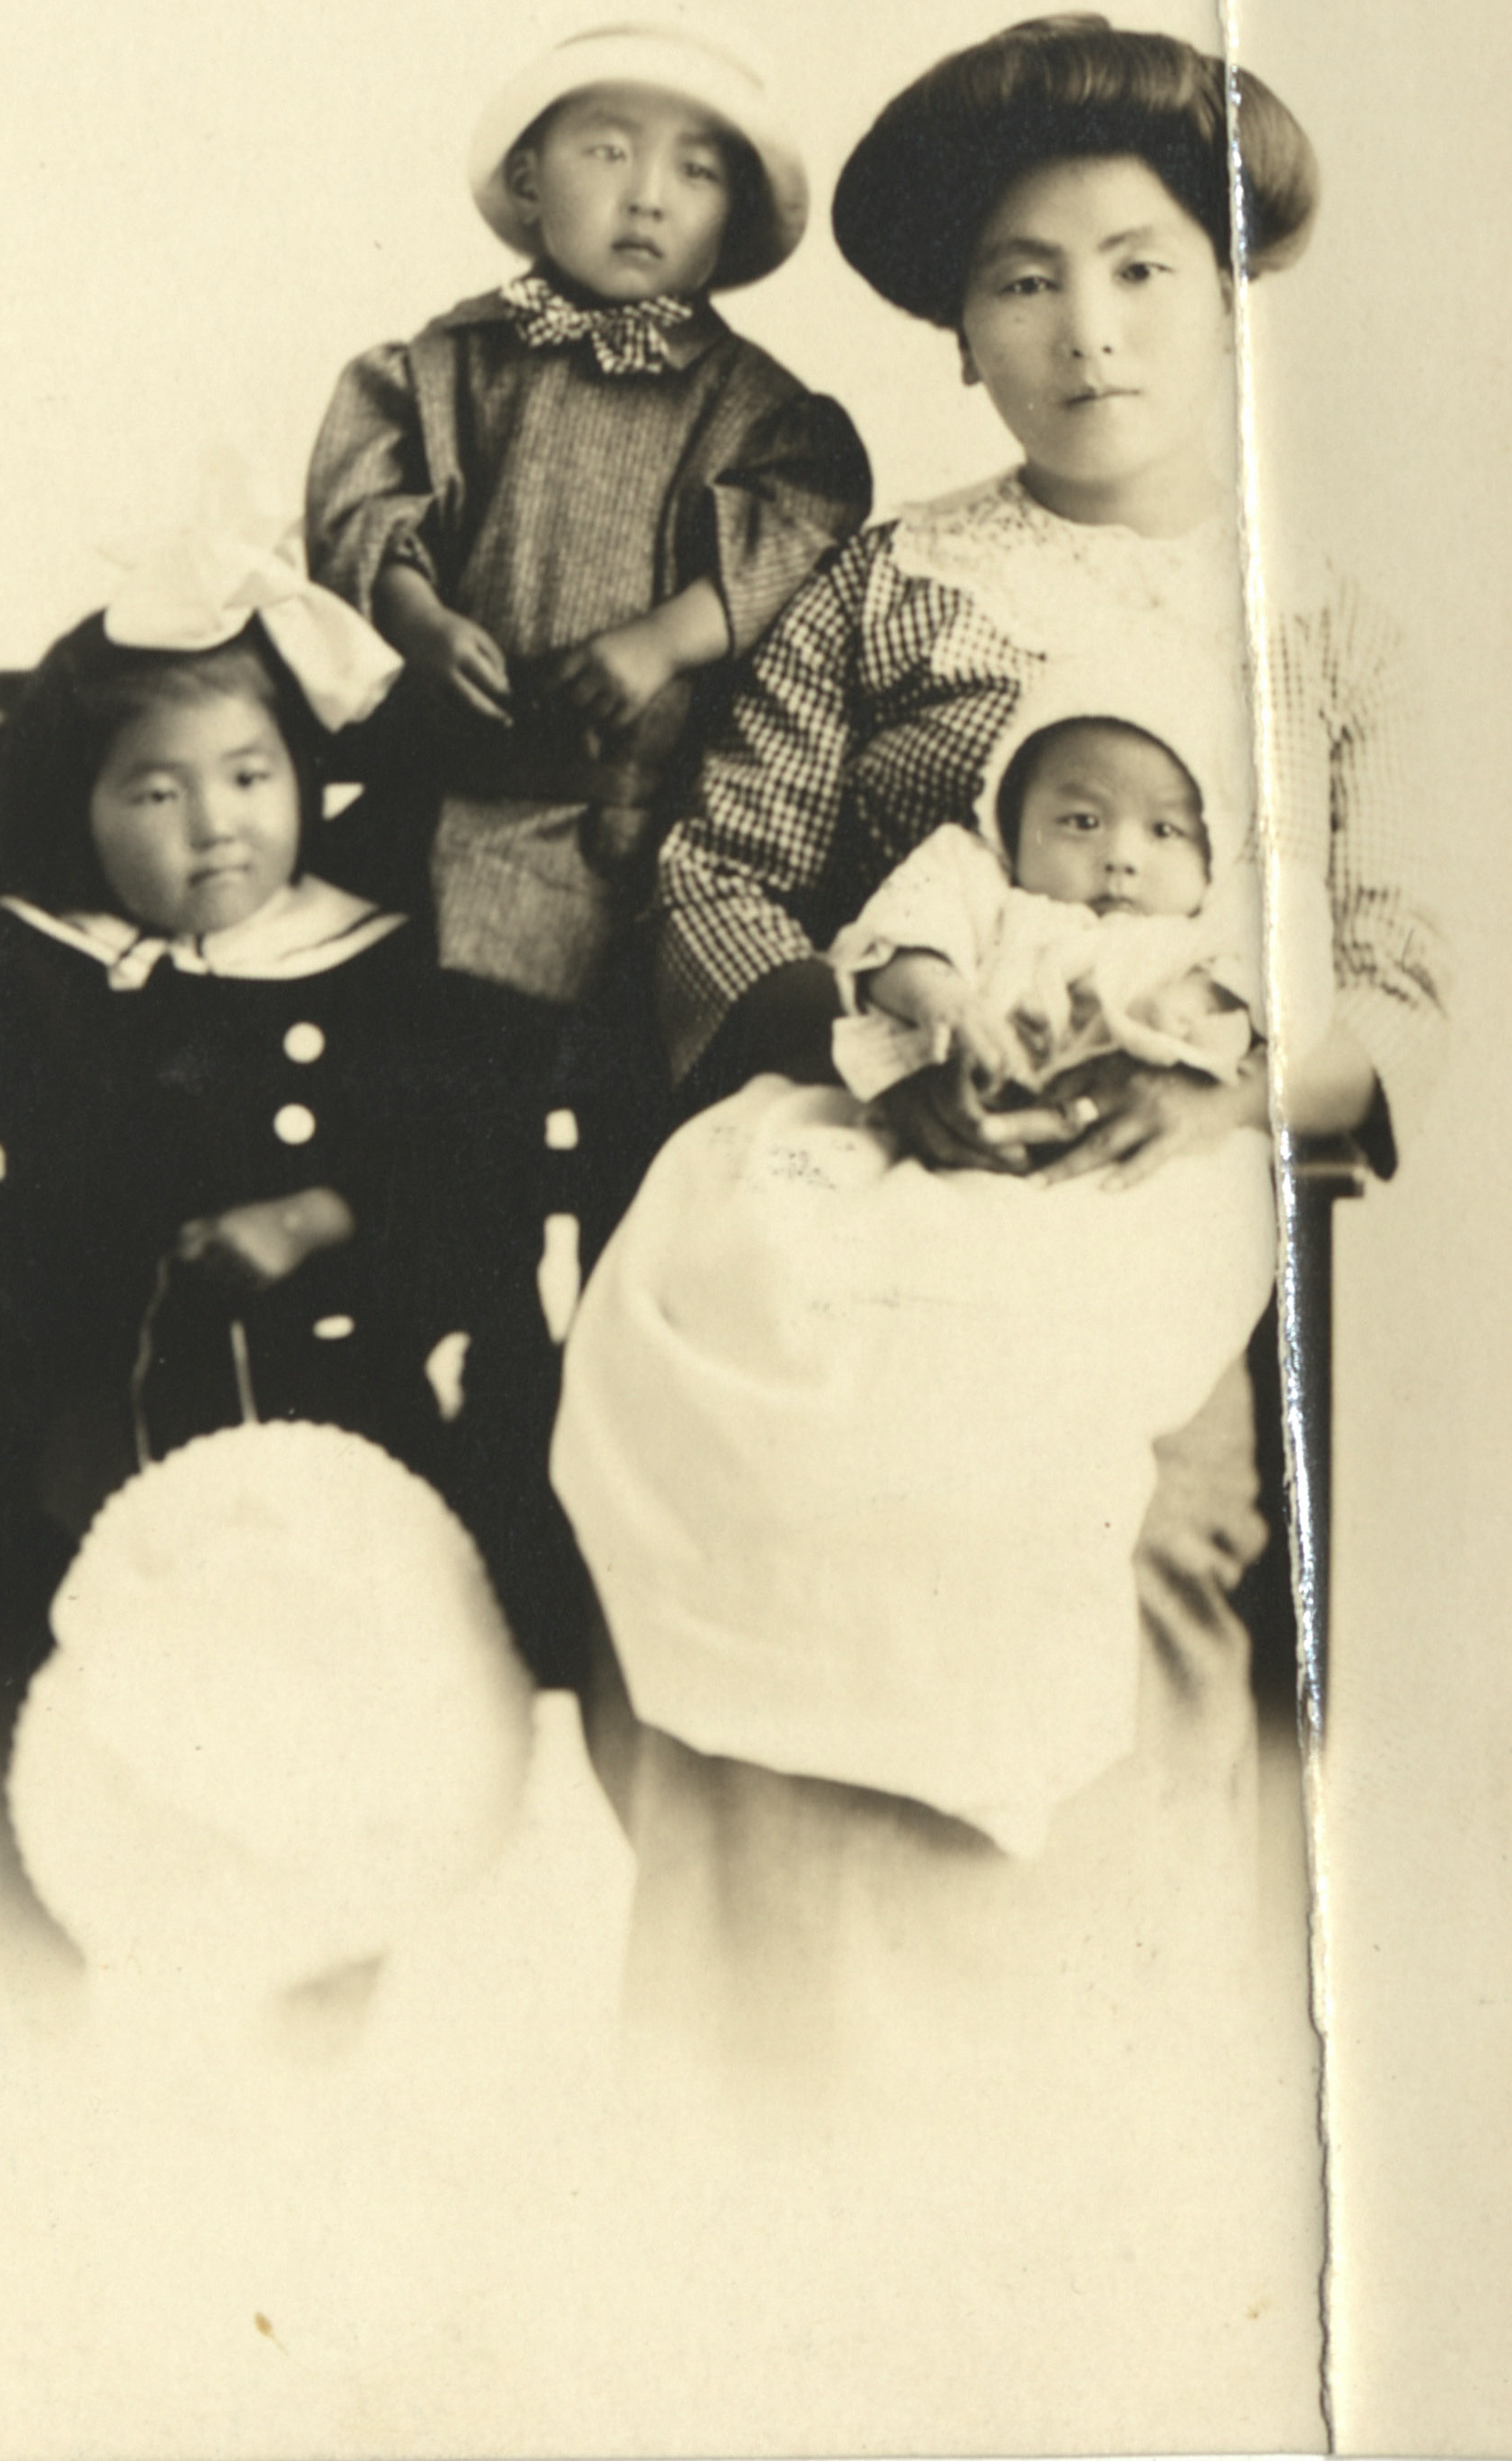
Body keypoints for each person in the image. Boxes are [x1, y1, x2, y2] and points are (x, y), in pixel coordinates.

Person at [607, 14, 1446, 2074]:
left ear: (1226, 291)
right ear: (959, 334)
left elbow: (1414, 966)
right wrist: (880, 1046)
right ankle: (762, 2075)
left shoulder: (1332, 605)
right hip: (882, 1132)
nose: (1089, 330)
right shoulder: (888, 584)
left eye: (1143, 267)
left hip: (1175, 1169)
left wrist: (1217, 1092)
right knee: (776, 1447)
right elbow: (723, 871)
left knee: (1086, 1504)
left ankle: (1097, 2087)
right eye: (1023, 280)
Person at [303, 23, 872, 1682]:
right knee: (454, 1168)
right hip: (467, 827)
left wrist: (668, 637)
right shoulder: (450, 363)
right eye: (609, 150)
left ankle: (620, 1511)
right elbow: (362, 502)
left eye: (697, 171)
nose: (648, 195)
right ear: (530, 176)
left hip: (653, 847)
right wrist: (421, 617)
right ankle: (473, 1435)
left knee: (642, 1194)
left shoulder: (753, 405)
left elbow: (808, 522)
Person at [555, 649, 1306, 1866]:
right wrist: (941, 1014)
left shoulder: (1207, 927)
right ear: (1013, 819)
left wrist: (1193, 1040)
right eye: (1079, 820)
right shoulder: (975, 878)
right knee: (777, 1282)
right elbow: (891, 945)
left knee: (1046, 1409)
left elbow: (1281, 990)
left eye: (1165, 831)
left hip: (1118, 1178)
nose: (1121, 857)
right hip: (924, 1134)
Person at [0, 529, 454, 1730]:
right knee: (68, 1619)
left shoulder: (369, 960)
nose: (215, 824)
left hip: (323, 1397)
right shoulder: (35, 956)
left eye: (250, 777)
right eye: (159, 793)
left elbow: (436, 1148)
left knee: (338, 1646)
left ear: (302, 777)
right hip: (87, 1412)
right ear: (84, 808)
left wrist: (311, 1217)